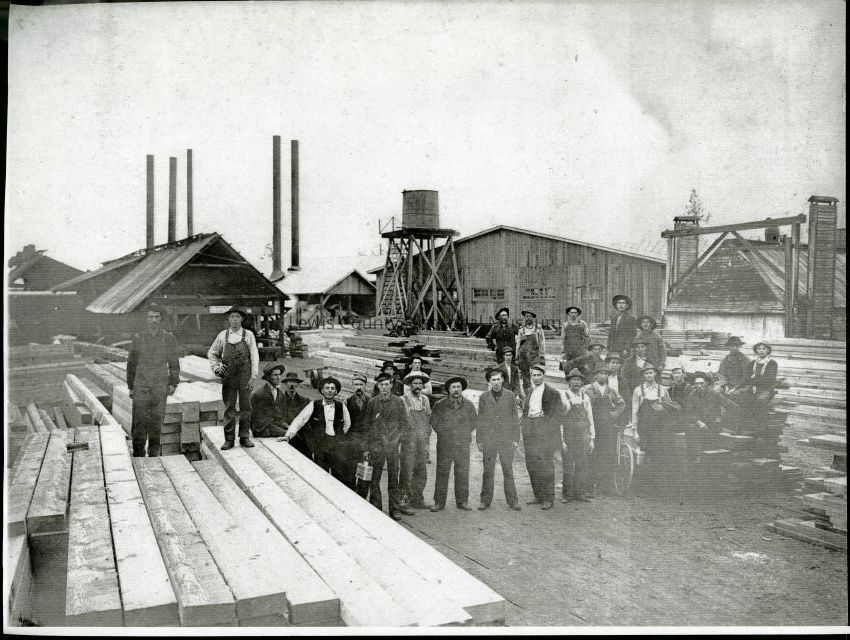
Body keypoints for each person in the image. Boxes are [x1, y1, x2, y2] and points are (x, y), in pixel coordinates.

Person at [126, 302, 180, 457]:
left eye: (157, 317)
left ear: (161, 318)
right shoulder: (138, 338)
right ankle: (138, 454)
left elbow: (174, 363)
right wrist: (131, 386)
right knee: (139, 421)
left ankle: (154, 455)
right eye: (151, 317)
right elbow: (131, 364)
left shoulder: (168, 338)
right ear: (146, 319)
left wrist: (173, 383)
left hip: (160, 386)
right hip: (141, 385)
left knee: (157, 422)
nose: (154, 320)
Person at [278, 377, 351, 481]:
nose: (330, 391)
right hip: (320, 446)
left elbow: (347, 424)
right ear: (322, 390)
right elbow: (300, 420)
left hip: (336, 446)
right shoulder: (314, 404)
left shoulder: (341, 406)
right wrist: (288, 436)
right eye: (327, 388)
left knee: (337, 476)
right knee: (320, 474)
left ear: (336, 391)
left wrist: (339, 436)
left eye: (332, 388)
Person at [362, 372, 413, 520]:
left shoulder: (398, 402)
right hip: (376, 446)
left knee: (393, 479)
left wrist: (399, 440)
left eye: (387, 384)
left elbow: (405, 425)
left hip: (392, 446)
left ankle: (394, 509)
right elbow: (366, 426)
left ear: (391, 385)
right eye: (381, 385)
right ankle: (376, 507)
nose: (384, 387)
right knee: (375, 479)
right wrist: (366, 448)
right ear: (378, 386)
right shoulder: (372, 402)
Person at [208, 306, 259, 450]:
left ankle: (244, 437)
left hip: (245, 376)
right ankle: (229, 439)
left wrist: (253, 377)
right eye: (232, 317)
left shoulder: (248, 335)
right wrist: (216, 368)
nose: (235, 319)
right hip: (229, 376)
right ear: (228, 319)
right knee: (229, 406)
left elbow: (254, 356)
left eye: (237, 316)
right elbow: (212, 353)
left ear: (242, 319)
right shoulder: (222, 335)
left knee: (245, 406)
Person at [521, 363, 565, 510]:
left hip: (544, 431)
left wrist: (546, 426)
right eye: (534, 375)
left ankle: (548, 498)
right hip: (530, 429)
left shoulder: (552, 392)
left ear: (543, 376)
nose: (536, 378)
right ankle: (538, 495)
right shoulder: (529, 391)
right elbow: (526, 410)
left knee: (545, 464)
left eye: (539, 375)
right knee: (532, 463)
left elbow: (559, 414)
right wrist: (525, 424)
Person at [430, 376, 477, 512]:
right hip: (445, 444)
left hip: (462, 444)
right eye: (453, 387)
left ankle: (462, 501)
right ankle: (439, 502)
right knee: (442, 472)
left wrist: (463, 433)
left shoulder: (469, 405)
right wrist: (444, 433)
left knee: (462, 472)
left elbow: (474, 422)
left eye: (458, 387)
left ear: (462, 389)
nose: (456, 390)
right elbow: (434, 421)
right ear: (448, 390)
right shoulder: (440, 404)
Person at [476, 368, 521, 511]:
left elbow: (514, 418)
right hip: (489, 439)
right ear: (490, 381)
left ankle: (513, 501)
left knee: (508, 470)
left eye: (498, 379)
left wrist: (515, 438)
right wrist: (479, 440)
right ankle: (485, 501)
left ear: (502, 380)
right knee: (488, 471)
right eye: (493, 380)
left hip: (506, 439)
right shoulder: (484, 397)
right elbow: (480, 419)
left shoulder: (510, 395)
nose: (496, 382)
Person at [582, 365, 626, 495]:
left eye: (606, 374)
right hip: (591, 426)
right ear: (595, 375)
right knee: (591, 454)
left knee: (606, 454)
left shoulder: (611, 391)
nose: (603, 376)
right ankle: (588, 487)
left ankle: (605, 486)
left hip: (607, 427)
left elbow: (621, 404)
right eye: (600, 373)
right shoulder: (587, 389)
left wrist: (615, 414)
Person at [630, 364, 676, 475]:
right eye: (646, 373)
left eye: (651, 372)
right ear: (643, 375)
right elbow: (634, 412)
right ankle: (645, 478)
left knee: (659, 454)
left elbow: (671, 406)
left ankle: (657, 479)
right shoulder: (638, 390)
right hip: (644, 428)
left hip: (659, 429)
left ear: (655, 373)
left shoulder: (662, 389)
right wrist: (635, 431)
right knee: (644, 454)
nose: (649, 375)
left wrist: (663, 408)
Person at [685, 372, 738, 462]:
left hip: (713, 426)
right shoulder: (691, 395)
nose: (699, 386)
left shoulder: (714, 394)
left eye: (701, 383)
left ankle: (698, 458)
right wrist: (699, 422)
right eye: (697, 384)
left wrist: (724, 420)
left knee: (693, 429)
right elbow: (689, 413)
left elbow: (730, 405)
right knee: (691, 428)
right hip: (699, 425)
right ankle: (696, 457)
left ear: (706, 383)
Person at [560, 368, 596, 503]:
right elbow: (559, 420)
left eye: (579, 380)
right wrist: (561, 440)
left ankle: (579, 493)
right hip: (568, 436)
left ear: (582, 383)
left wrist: (592, 439)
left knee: (582, 464)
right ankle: (567, 495)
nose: (576, 382)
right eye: (574, 380)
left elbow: (590, 418)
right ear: (569, 382)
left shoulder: (585, 397)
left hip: (583, 437)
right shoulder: (563, 397)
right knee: (568, 465)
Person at [399, 371, 433, 509]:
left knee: (421, 471)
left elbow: (428, 420)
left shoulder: (425, 400)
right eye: (415, 383)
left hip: (422, 442)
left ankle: (417, 500)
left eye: (420, 383)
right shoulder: (403, 400)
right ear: (409, 385)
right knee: (407, 472)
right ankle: (403, 501)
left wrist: (427, 442)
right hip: (408, 442)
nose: (418, 386)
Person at [342, 372, 371, 493]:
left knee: (365, 475)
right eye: (356, 384)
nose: (358, 387)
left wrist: (368, 446)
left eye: (361, 384)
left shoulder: (371, 402)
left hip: (366, 442)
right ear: (352, 386)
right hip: (351, 443)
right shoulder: (346, 402)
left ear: (365, 386)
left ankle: (362, 498)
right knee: (350, 474)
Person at [249, 363, 290, 438]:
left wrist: (285, 425)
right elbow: (255, 418)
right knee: (289, 435)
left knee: (297, 432)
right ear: (268, 377)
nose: (278, 377)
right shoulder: (258, 394)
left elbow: (283, 415)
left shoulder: (280, 394)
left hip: (276, 426)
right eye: (275, 375)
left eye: (279, 374)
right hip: (263, 429)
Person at [279, 371, 312, 458]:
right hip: (286, 434)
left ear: (298, 384)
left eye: (294, 382)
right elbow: (278, 419)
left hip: (302, 436)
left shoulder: (305, 401)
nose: (292, 385)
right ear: (285, 384)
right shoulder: (279, 401)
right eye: (289, 382)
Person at [517, 310, 546, 393]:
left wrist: (542, 356)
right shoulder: (521, 329)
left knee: (537, 373)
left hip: (535, 355)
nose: (528, 318)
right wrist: (517, 356)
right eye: (526, 316)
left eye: (530, 316)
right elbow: (518, 344)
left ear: (533, 318)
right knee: (525, 376)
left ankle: (538, 392)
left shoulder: (538, 328)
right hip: (523, 355)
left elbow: (542, 342)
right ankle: (528, 394)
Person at [621, 337, 656, 403]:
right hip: (632, 394)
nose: (640, 349)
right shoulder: (628, 362)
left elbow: (655, 378)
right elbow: (624, 379)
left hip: (648, 394)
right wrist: (629, 396)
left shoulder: (651, 361)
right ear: (635, 348)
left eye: (642, 347)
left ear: (645, 348)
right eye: (638, 347)